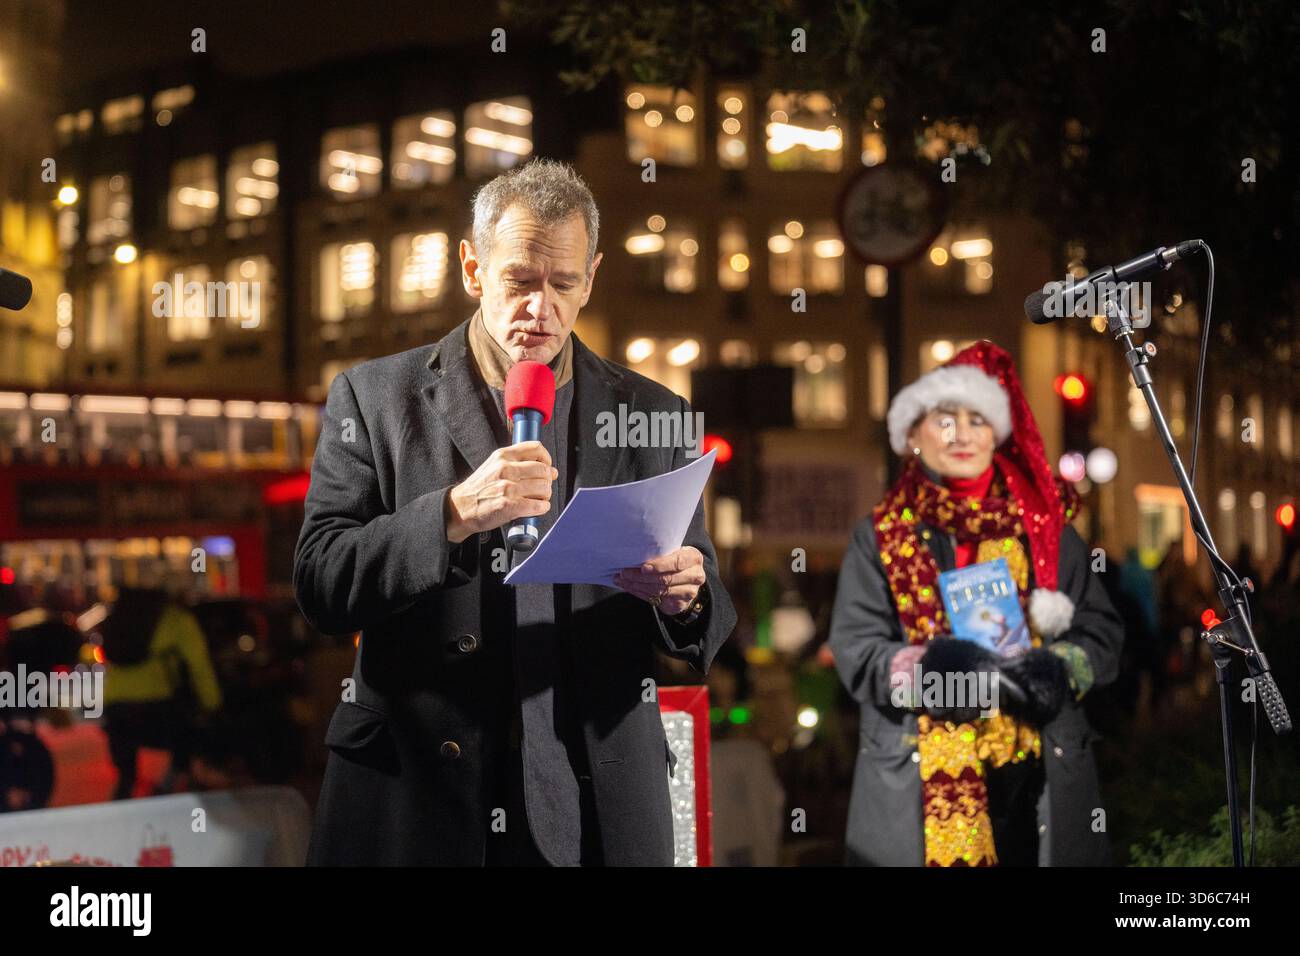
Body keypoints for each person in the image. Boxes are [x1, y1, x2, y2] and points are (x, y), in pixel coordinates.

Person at [295, 159, 736, 866]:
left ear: (591, 277)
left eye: (564, 285)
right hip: (419, 792)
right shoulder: (374, 398)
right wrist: (451, 514)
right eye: (520, 282)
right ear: (473, 269)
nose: (542, 308)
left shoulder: (656, 414)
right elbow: (320, 581)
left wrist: (684, 598)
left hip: (595, 797)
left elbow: (707, 612)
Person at [829, 341, 1124, 866]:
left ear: (999, 433)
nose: (962, 434)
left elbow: (1101, 631)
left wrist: (1058, 670)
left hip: (1037, 768)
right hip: (920, 773)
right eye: (945, 420)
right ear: (913, 435)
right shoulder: (877, 536)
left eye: (978, 419)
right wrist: (932, 672)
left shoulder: (1048, 531)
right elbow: (857, 649)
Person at [101, 587, 223, 799]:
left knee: (125, 777)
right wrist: (212, 703)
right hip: (157, 703)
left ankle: (122, 813)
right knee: (185, 747)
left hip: (116, 704)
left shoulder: (121, 617)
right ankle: (166, 798)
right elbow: (199, 665)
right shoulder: (176, 620)